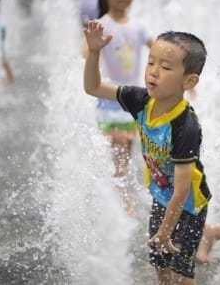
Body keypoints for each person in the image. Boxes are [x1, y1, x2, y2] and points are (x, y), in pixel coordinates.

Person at [83, 22, 212, 284]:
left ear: (189, 81)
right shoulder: (140, 100)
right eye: (150, 62)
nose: (153, 72)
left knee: (181, 276)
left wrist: (166, 232)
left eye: (165, 67)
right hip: (161, 198)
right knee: (160, 268)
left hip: (188, 208)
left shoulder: (184, 126)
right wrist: (94, 52)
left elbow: (182, 190)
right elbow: (93, 88)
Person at [81, 0, 154, 216]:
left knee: (128, 147)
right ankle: (122, 200)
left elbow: (157, 48)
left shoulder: (139, 25)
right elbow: (85, 54)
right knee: (119, 146)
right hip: (110, 96)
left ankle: (119, 192)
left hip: (134, 96)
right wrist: (92, 50)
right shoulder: (101, 25)